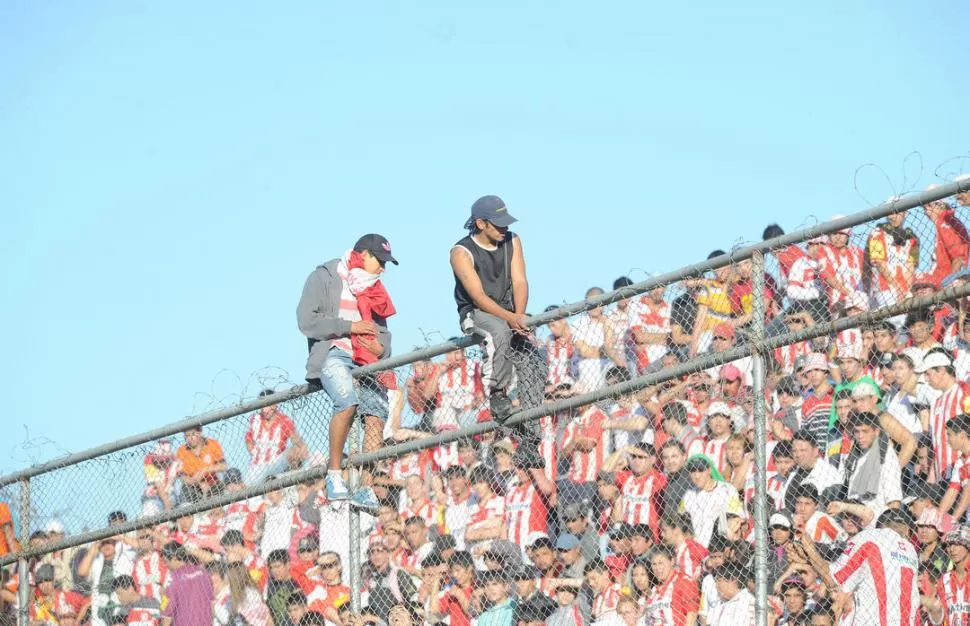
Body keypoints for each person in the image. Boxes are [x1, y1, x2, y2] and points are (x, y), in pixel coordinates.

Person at [297, 233, 399, 504]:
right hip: (334, 352)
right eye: (380, 261)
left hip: (367, 360)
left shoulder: (374, 287)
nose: (382, 269)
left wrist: (381, 349)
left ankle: (365, 487)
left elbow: (383, 338)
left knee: (376, 413)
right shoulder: (324, 276)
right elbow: (306, 320)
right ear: (363, 255)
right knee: (346, 401)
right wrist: (349, 327)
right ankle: (334, 474)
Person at [450, 195, 547, 462]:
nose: (503, 229)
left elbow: (520, 280)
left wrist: (519, 316)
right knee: (499, 333)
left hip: (508, 311)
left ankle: (530, 441)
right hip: (477, 313)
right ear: (480, 223)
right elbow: (478, 297)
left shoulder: (512, 240)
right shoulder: (461, 252)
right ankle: (497, 393)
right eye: (497, 224)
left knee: (533, 363)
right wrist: (510, 319)